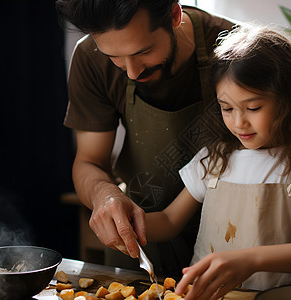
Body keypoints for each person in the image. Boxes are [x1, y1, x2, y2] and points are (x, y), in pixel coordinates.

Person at [142, 24, 291, 299]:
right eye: (226, 108)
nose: (239, 122)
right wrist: (127, 223)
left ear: (289, 101)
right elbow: (169, 221)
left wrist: (251, 259)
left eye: (253, 108)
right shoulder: (214, 159)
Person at [54, 0, 234, 275]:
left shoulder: (236, 48)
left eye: (143, 52)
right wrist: (104, 194)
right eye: (114, 57)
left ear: (175, 15)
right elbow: (89, 162)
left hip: (231, 236)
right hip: (144, 235)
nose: (132, 71)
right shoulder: (90, 58)